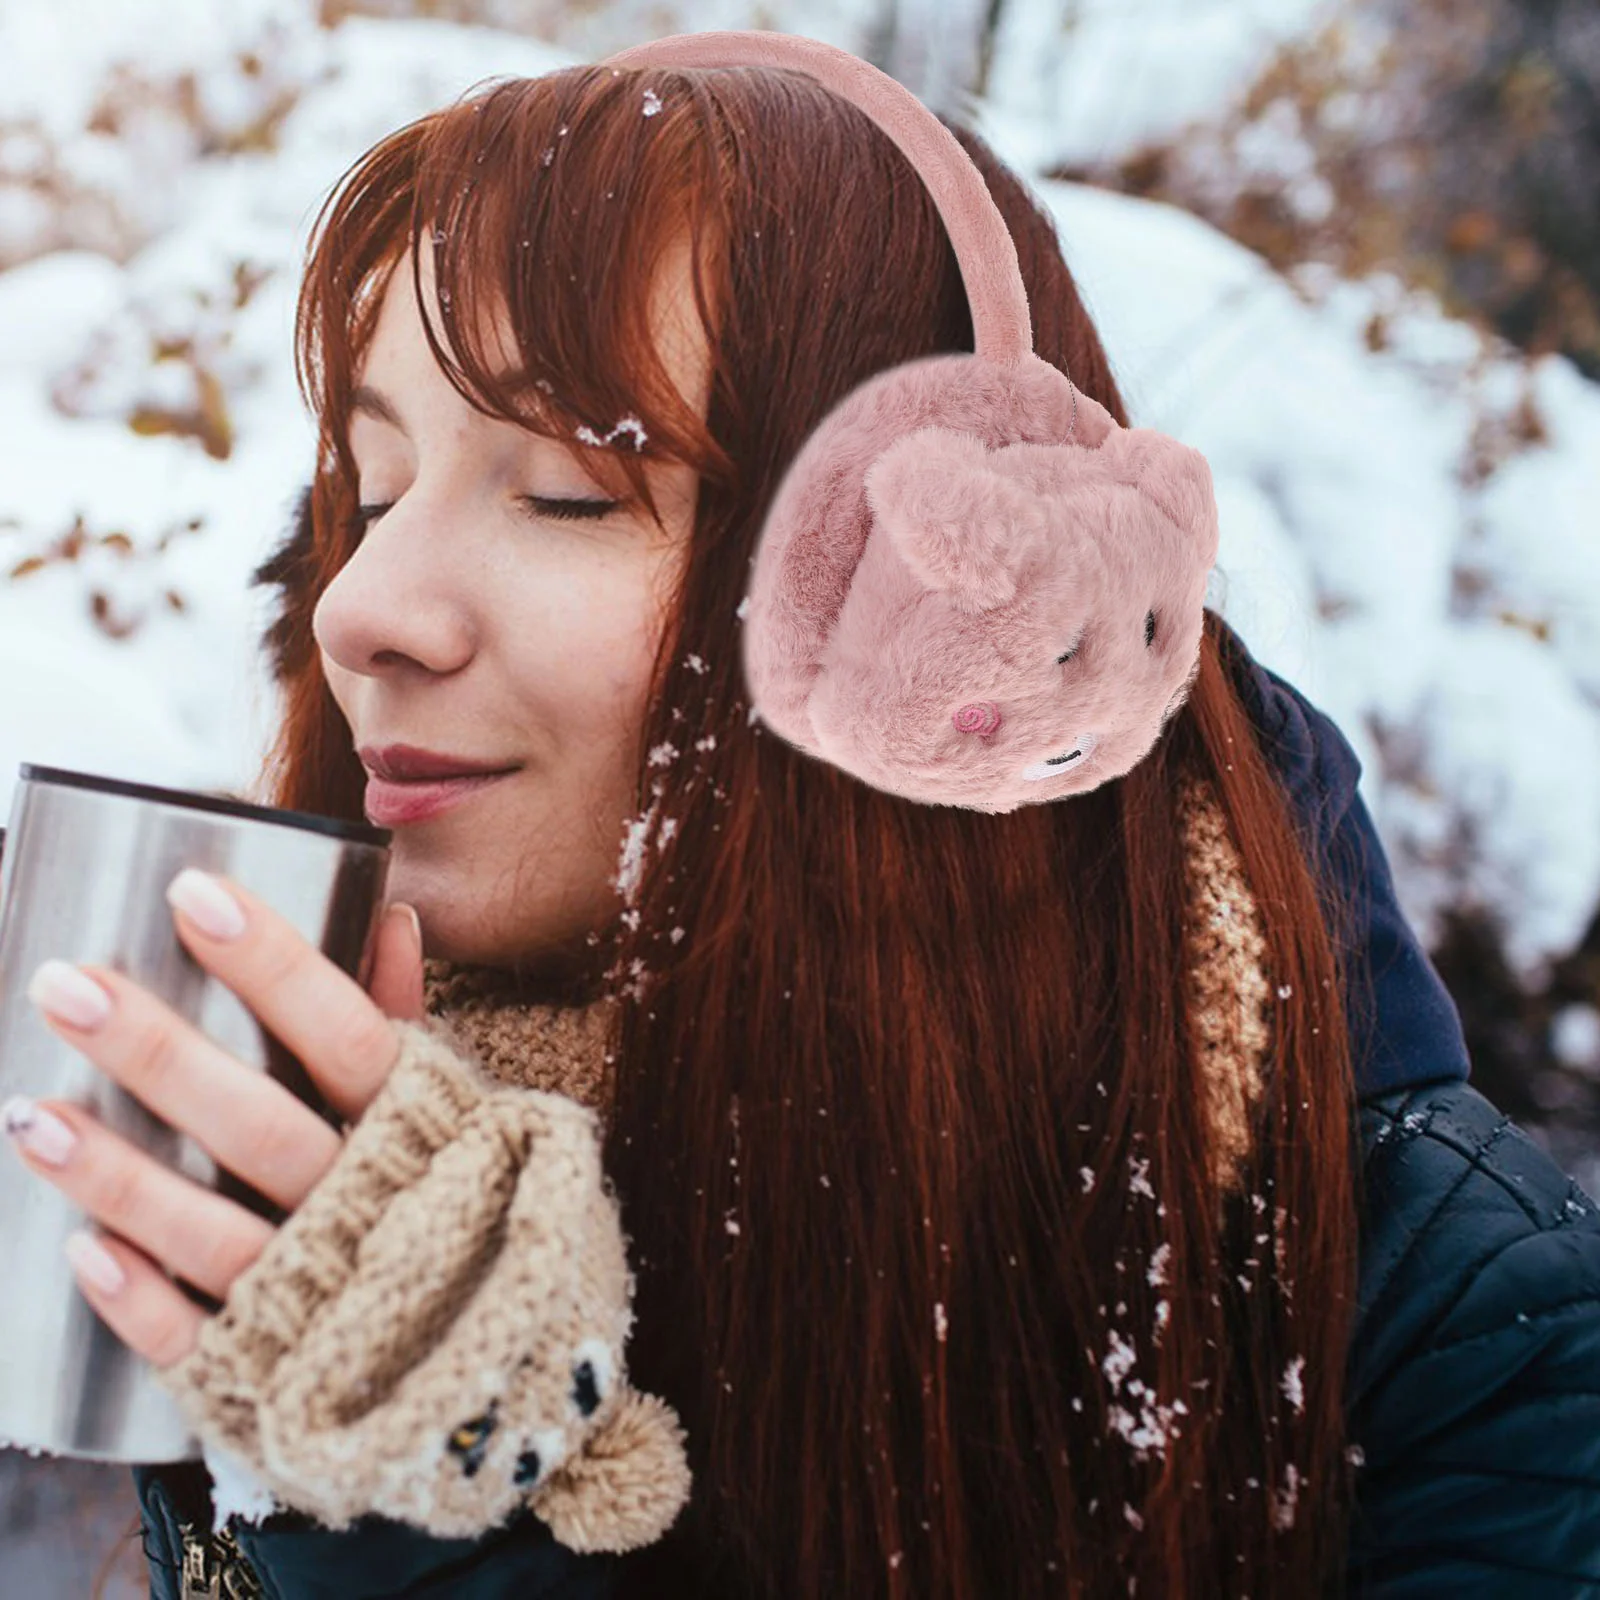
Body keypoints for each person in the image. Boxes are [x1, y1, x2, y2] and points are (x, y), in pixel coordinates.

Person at [6, 54, 1595, 1600]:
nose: (357, 608)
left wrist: (439, 1489)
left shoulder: (1463, 1334)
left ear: (932, 621)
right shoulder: (339, 1165)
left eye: (564, 490)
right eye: (368, 488)